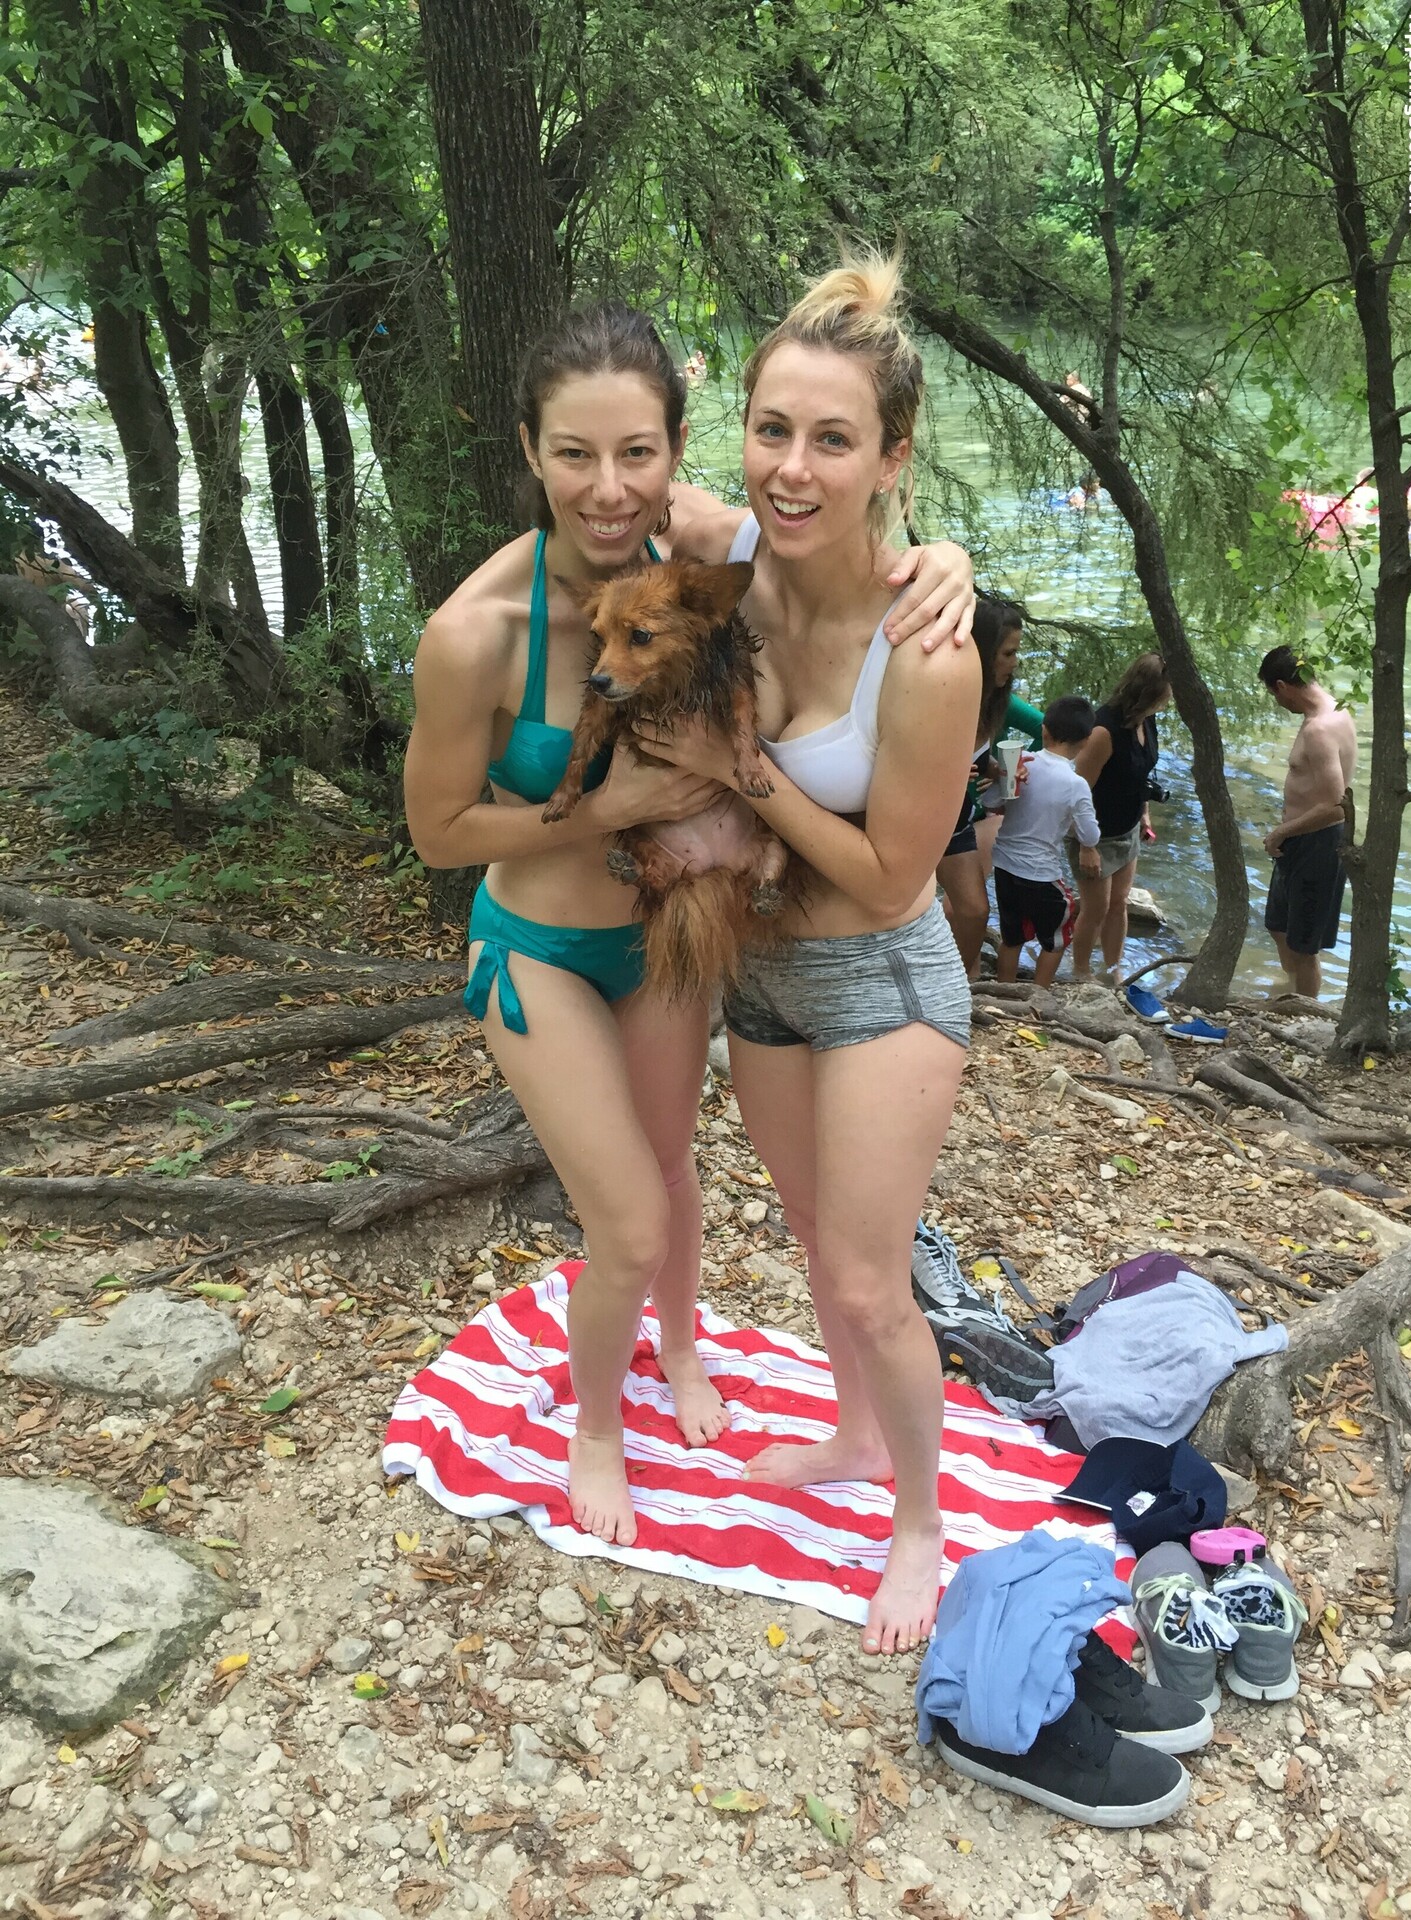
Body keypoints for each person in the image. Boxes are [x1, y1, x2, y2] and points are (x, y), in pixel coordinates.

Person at [404, 302, 978, 1551]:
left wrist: (948, 558)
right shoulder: (480, 630)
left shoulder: (713, 560)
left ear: (674, 458)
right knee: (635, 1222)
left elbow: (839, 529)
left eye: (638, 454)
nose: (608, 490)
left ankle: (693, 1363)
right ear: (529, 450)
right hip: (567, 950)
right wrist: (608, 808)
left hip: (698, 944)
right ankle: (598, 1430)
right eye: (573, 454)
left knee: (694, 1186)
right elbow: (438, 832)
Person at [633, 251, 982, 1657]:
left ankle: (921, 1523)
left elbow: (897, 877)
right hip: (761, 978)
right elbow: (597, 482)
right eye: (772, 429)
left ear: (891, 459)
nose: (793, 467)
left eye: (833, 440)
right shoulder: (726, 555)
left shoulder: (929, 648)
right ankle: (853, 1434)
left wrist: (747, 772)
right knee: (812, 1239)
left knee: (866, 1278)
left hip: (884, 983)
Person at [935, 603, 1042, 974]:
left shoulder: (996, 702)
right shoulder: (940, 692)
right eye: (1008, 653)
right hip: (917, 814)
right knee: (906, 909)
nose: (1015, 663)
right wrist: (941, 771)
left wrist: (998, 769)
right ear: (981, 651)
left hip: (957, 818)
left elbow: (1044, 728)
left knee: (974, 910)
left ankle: (958, 985)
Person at [1257, 646, 1357, 999]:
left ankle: (1304, 1011)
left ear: (1282, 686)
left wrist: (1280, 832)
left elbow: (1336, 806)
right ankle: (1290, 992)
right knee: (1278, 926)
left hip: (1317, 844)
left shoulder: (1319, 729)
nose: (1277, 703)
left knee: (1303, 946)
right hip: (1298, 841)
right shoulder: (1335, 709)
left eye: (1274, 695)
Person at [1068, 652, 1171, 981]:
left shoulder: (1146, 719)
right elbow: (1078, 791)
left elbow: (1140, 773)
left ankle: (1113, 971)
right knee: (1095, 909)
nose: (1171, 698)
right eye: (1168, 692)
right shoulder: (1104, 730)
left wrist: (1145, 813)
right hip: (1095, 833)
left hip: (1127, 826)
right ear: (1149, 691)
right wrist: (1087, 846)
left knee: (1119, 903)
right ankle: (1081, 973)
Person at [992, 695, 1100, 987]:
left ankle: (1003, 991)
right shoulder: (1076, 784)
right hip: (1041, 875)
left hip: (1004, 867)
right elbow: (1090, 835)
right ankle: (1039, 996)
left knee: (1011, 937)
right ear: (1086, 741)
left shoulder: (1022, 764)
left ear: (1044, 731)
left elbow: (991, 802)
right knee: (1057, 940)